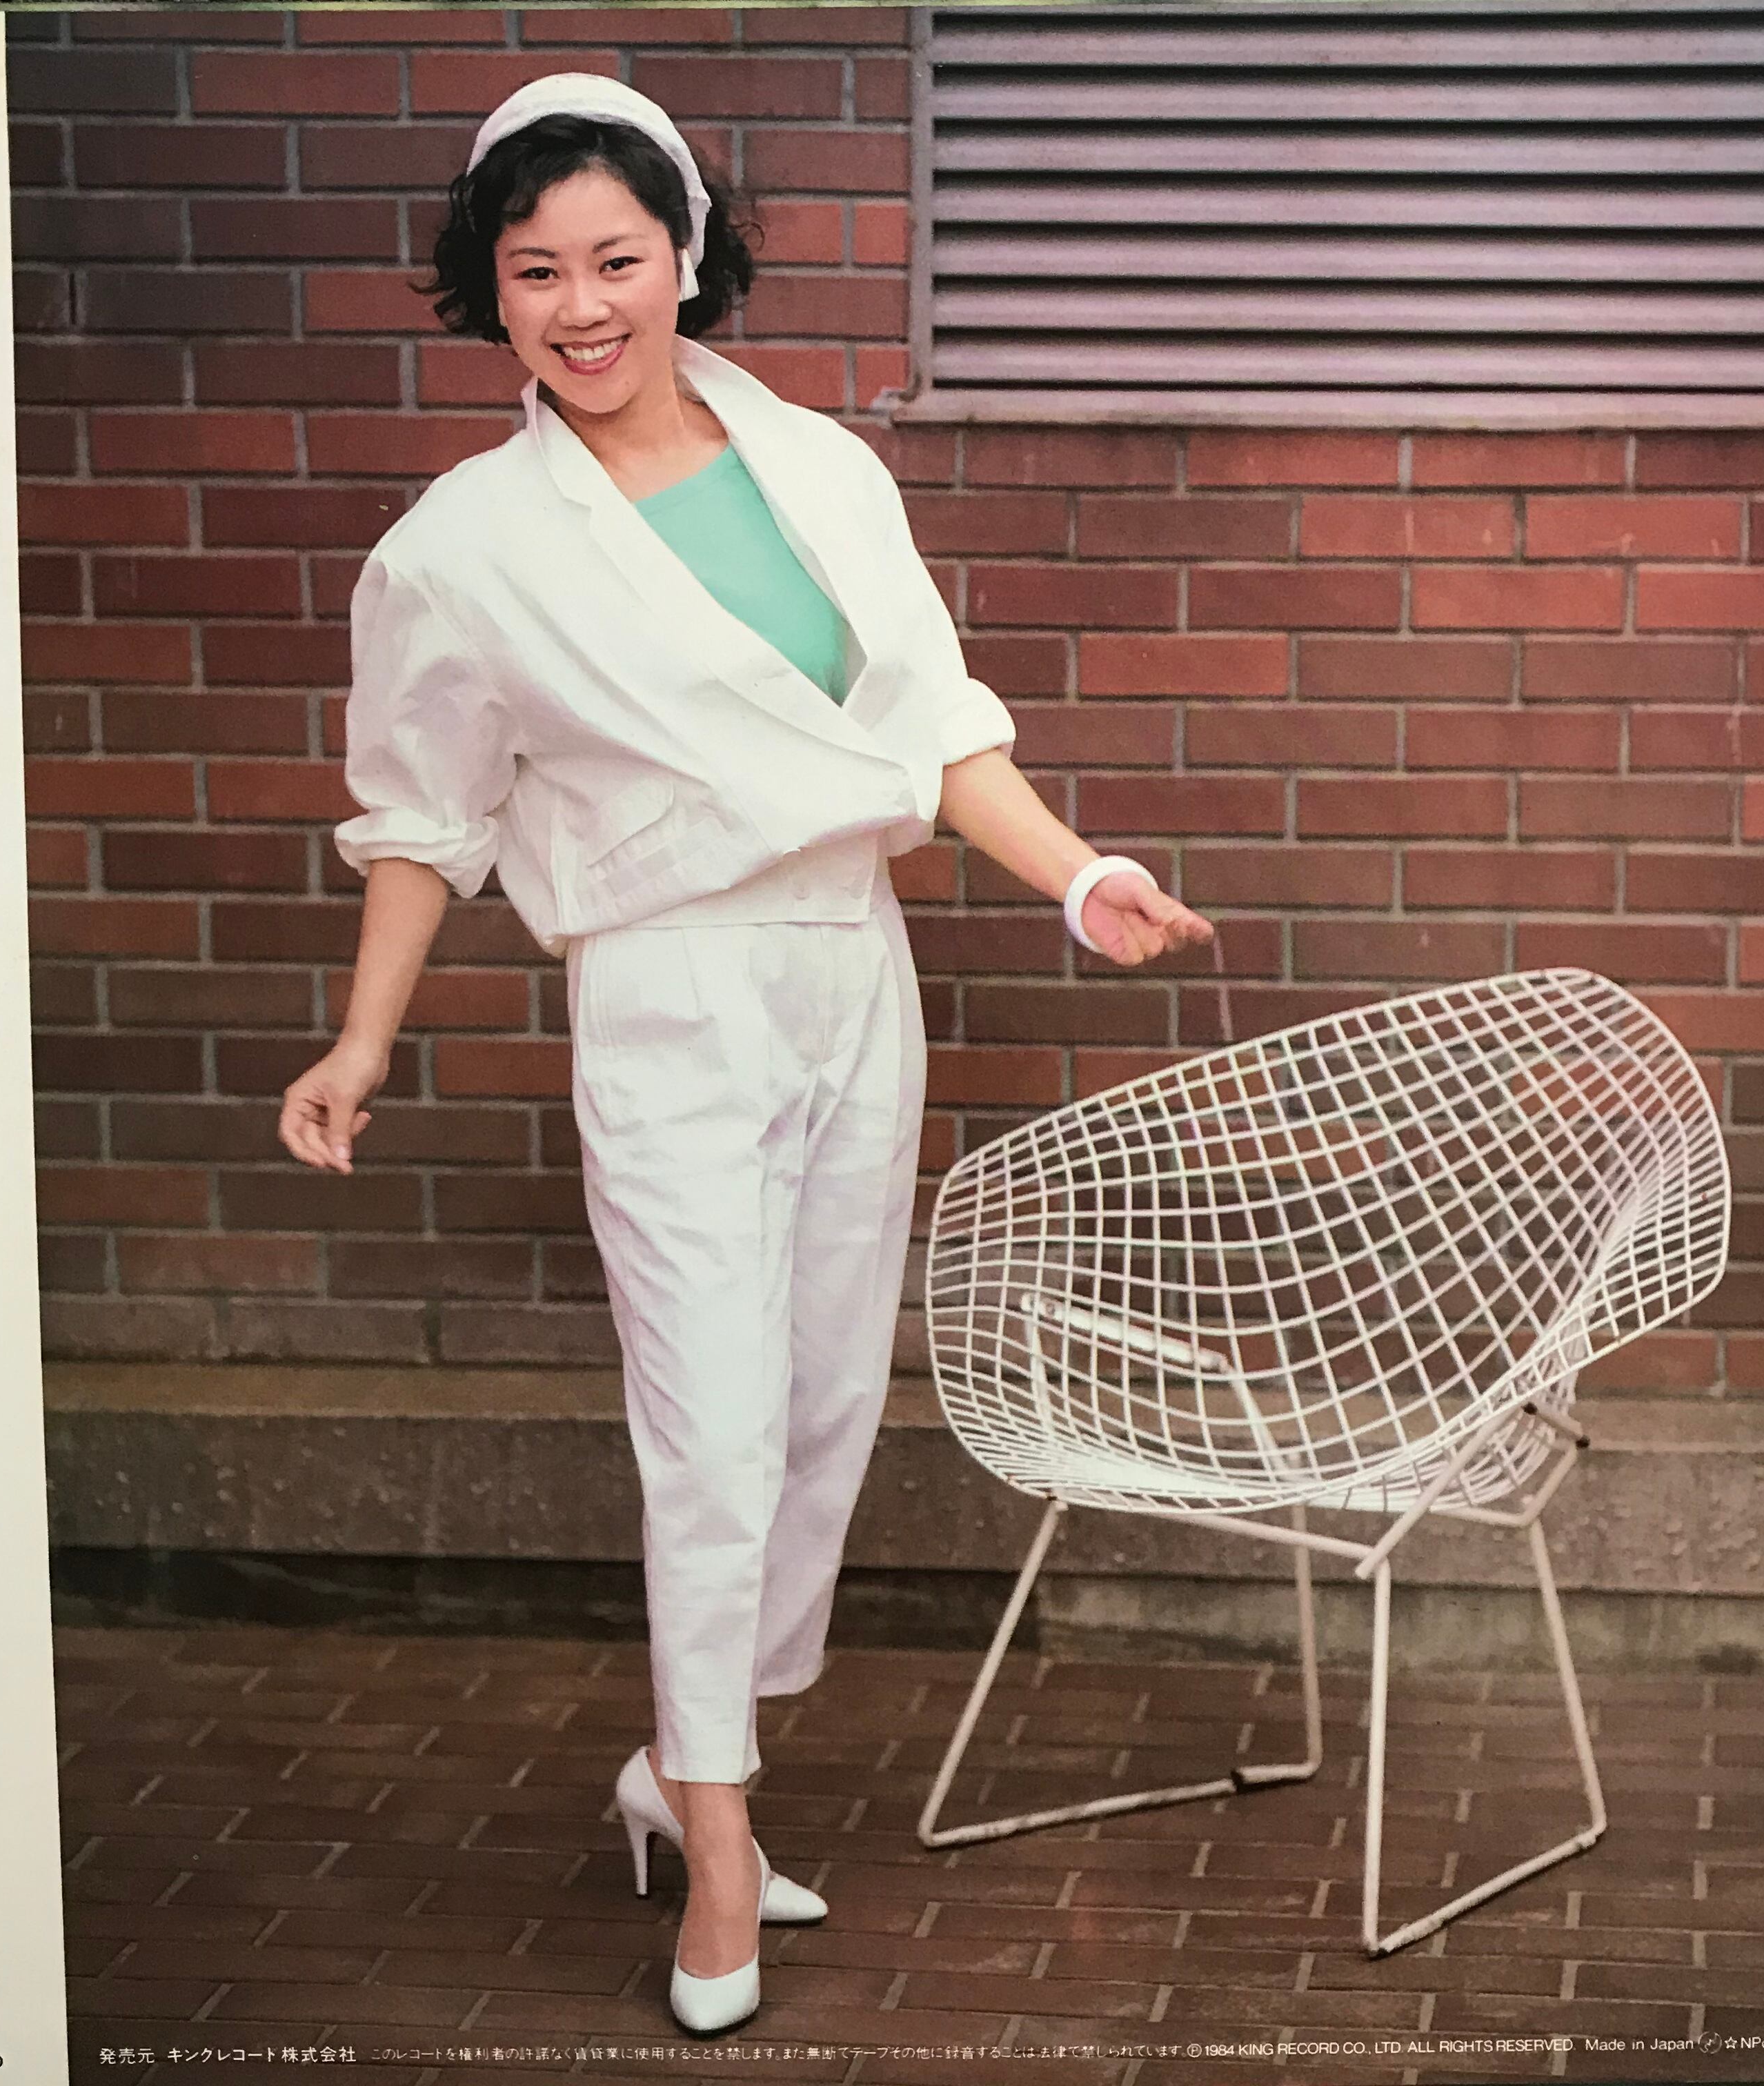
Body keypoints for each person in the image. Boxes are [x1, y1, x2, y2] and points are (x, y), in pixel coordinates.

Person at [277, 73, 1213, 2036]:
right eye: (536, 271)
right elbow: (424, 821)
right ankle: (716, 1843)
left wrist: (1081, 878)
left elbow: (934, 728)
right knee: (707, 1422)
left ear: (685, 255)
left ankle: (682, 1755)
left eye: (617, 258)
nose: (582, 304)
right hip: (668, 990)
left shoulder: (821, 468)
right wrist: (361, 1041)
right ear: (490, 292)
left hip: (852, 968)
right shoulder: (462, 549)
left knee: (817, 1412)